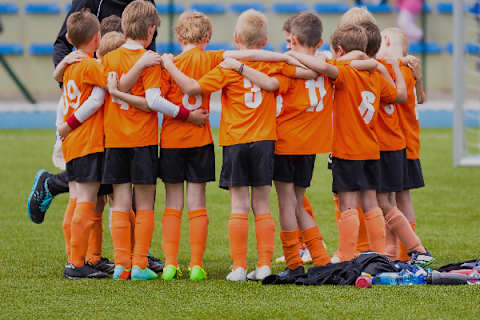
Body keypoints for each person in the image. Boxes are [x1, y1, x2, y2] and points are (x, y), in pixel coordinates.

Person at [161, 9, 316, 281]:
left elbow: (194, 89)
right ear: (266, 40)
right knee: (262, 205)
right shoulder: (272, 66)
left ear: (235, 38)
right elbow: (306, 73)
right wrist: (286, 58)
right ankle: (265, 264)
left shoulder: (226, 66)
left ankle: (239, 267)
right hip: (265, 141)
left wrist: (170, 65)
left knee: (239, 206)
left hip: (235, 141)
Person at [58, 9, 108, 279]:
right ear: (98, 38)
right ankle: (76, 264)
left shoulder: (69, 66)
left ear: (68, 37)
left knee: (77, 198)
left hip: (72, 144)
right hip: (87, 141)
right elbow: (101, 96)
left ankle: (73, 256)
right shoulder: (90, 66)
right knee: (87, 200)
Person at [378, 27, 427, 262]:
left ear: (385, 41)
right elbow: (421, 98)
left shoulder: (389, 70)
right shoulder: (409, 70)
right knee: (402, 198)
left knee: (392, 200)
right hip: (410, 144)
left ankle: (402, 250)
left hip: (397, 145)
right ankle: (405, 250)